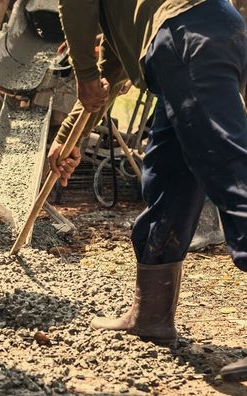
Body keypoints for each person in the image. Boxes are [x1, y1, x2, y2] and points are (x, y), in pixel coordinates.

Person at [52, 0, 247, 381]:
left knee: (231, 173)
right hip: (211, 31)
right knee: (168, 177)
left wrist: (83, 74)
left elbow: (75, 7)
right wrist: (67, 136)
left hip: (183, 36)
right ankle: (151, 316)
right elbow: (114, 68)